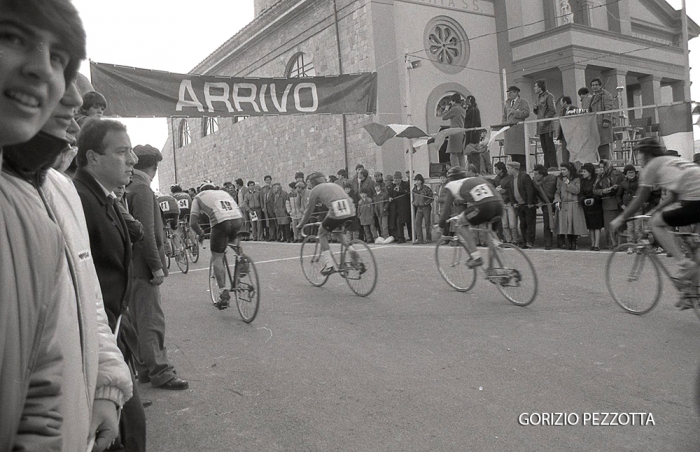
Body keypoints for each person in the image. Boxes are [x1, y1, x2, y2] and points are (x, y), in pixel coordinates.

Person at [73, 118, 147, 451]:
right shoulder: (78, 200)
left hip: (113, 336)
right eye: (122, 152)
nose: (132, 160)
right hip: (93, 347)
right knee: (125, 434)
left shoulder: (102, 196)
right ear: (92, 158)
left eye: (131, 151)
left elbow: (134, 233)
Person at [126, 144, 189, 390]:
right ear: (153, 167)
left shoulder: (130, 187)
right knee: (151, 321)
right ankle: (161, 372)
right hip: (143, 267)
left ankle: (145, 369)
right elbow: (147, 233)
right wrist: (156, 266)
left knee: (138, 320)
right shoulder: (142, 189)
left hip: (132, 266)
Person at [610, 138, 700, 301]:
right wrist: (655, 210)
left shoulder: (652, 166)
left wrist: (621, 218)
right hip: (693, 197)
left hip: (695, 201)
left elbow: (639, 199)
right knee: (695, 247)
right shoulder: (673, 161)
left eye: (638, 153)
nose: (638, 157)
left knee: (656, 223)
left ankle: (683, 263)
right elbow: (674, 195)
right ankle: (691, 293)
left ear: (647, 154)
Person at [190, 182, 244, 309]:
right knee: (233, 242)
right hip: (237, 219)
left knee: (217, 257)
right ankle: (242, 259)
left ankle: (223, 292)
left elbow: (192, 222)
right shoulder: (223, 193)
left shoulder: (198, 197)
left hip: (221, 222)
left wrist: (200, 232)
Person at [438, 166, 504, 268]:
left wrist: (441, 224)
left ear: (450, 178)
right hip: (499, 205)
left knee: (460, 223)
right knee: (488, 235)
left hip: (484, 207)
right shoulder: (476, 179)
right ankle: (498, 269)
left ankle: (476, 257)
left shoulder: (451, 185)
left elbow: (446, 208)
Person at [296, 172, 358, 275]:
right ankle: (352, 251)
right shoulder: (334, 185)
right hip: (351, 211)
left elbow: (308, 211)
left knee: (322, 233)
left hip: (336, 212)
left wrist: (300, 225)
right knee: (338, 232)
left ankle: (329, 265)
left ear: (312, 182)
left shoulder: (314, 190)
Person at [553, 162, 587, 249]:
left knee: (573, 224)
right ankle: (569, 242)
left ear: (569, 170)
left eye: (564, 169)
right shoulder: (560, 179)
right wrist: (557, 200)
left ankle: (574, 242)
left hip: (573, 204)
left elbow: (577, 191)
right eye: (561, 169)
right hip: (563, 204)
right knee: (566, 225)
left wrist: (568, 183)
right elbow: (557, 192)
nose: (562, 171)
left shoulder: (576, 179)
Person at [594, 159, 624, 249]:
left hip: (618, 201)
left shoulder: (619, 174)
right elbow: (594, 190)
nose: (601, 169)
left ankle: (620, 244)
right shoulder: (600, 177)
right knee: (609, 225)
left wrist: (617, 187)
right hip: (607, 201)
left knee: (619, 225)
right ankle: (612, 243)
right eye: (600, 167)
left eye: (603, 167)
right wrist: (603, 191)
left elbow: (625, 185)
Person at [506, 161, 536, 248]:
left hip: (527, 205)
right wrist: (514, 203)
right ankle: (524, 241)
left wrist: (530, 202)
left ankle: (530, 241)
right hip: (519, 205)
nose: (507, 170)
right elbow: (510, 192)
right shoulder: (511, 179)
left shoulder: (524, 176)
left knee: (530, 223)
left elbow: (529, 191)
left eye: (509, 168)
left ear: (514, 168)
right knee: (522, 224)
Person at [502, 85, 530, 166]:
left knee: (520, 154)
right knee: (512, 154)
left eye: (511, 92)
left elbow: (526, 113)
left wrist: (515, 112)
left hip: (518, 130)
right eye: (509, 92)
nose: (509, 94)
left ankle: (522, 170)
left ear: (517, 93)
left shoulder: (523, 102)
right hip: (510, 131)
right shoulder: (507, 103)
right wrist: (504, 124)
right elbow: (504, 115)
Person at [493, 161, 520, 245]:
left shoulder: (509, 178)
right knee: (504, 224)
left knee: (512, 224)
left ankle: (515, 240)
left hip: (509, 202)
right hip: (501, 203)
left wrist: (504, 191)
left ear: (501, 170)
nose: (495, 171)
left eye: (497, 169)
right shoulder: (496, 179)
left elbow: (512, 189)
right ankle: (508, 240)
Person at [617, 164, 642, 252]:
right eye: (629, 172)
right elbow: (618, 195)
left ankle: (639, 245)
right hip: (627, 208)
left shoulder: (640, 182)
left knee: (638, 228)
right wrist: (621, 204)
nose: (631, 174)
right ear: (626, 174)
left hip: (638, 208)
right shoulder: (623, 183)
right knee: (630, 228)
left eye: (632, 172)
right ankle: (631, 245)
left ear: (635, 173)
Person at [533, 79, 557, 169]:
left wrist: (545, 121)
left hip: (548, 126)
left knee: (550, 146)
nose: (534, 88)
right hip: (540, 125)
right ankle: (547, 165)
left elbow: (552, 110)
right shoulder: (538, 98)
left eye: (535, 86)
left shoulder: (549, 96)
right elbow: (539, 112)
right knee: (544, 147)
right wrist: (535, 109)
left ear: (540, 87)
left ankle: (553, 165)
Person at [579, 162, 604, 251]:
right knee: (590, 226)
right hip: (587, 205)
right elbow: (581, 192)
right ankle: (592, 243)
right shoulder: (583, 181)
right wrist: (583, 199)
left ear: (590, 172)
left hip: (596, 205)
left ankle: (597, 244)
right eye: (582, 171)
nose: (583, 173)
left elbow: (599, 191)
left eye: (585, 171)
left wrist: (594, 198)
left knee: (597, 226)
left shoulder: (596, 180)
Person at [532, 164, 557, 249]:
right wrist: (539, 201)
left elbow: (557, 190)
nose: (535, 176)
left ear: (542, 174)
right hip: (545, 203)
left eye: (536, 174)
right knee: (546, 223)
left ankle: (561, 241)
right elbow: (536, 194)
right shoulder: (535, 183)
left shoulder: (553, 179)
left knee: (559, 222)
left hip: (555, 202)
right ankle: (548, 242)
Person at [588, 77, 614, 160]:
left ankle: (606, 164)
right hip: (595, 123)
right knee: (597, 145)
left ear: (600, 86)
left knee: (603, 145)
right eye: (592, 85)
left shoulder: (606, 95)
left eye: (596, 85)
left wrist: (606, 119)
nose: (594, 87)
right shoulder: (593, 96)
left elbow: (608, 107)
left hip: (602, 124)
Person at [440, 93, 467, 168]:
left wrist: (446, 109)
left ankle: (457, 171)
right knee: (461, 155)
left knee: (453, 155)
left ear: (454, 101)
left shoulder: (454, 109)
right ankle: (463, 171)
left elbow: (444, 117)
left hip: (455, 133)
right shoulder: (463, 109)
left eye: (451, 101)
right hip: (462, 133)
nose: (450, 103)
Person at [412, 173, 433, 244]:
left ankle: (428, 238)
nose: (417, 182)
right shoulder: (414, 189)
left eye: (418, 180)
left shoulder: (426, 189)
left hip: (426, 207)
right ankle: (419, 238)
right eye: (416, 180)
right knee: (417, 222)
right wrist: (413, 202)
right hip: (419, 208)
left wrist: (426, 203)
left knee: (427, 223)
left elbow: (431, 197)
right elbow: (413, 198)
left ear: (421, 181)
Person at [393, 171, 412, 242]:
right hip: (398, 207)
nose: (396, 180)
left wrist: (400, 190)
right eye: (395, 178)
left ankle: (412, 236)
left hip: (406, 206)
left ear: (401, 178)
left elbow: (408, 193)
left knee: (408, 222)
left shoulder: (406, 184)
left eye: (397, 178)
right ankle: (401, 237)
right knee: (399, 222)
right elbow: (393, 196)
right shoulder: (393, 186)